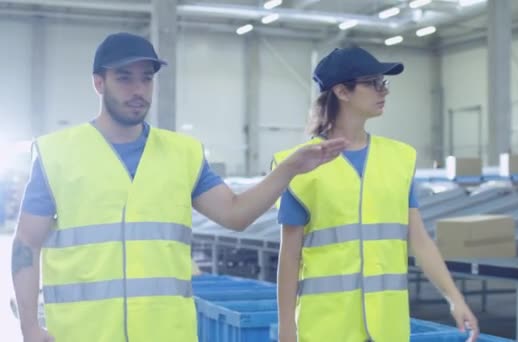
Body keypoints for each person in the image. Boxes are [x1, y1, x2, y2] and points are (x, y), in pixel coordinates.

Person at [10, 32, 347, 342]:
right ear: (98, 83)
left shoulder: (182, 154)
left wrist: (288, 169)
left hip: (165, 332)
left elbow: (235, 214)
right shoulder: (58, 153)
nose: (138, 90)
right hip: (84, 333)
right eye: (124, 78)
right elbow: (26, 241)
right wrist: (29, 328)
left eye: (146, 79)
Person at [272, 47, 479, 342]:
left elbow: (419, 240)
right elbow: (289, 256)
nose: (384, 91)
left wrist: (455, 299)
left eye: (384, 83)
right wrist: (286, 330)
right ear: (342, 92)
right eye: (373, 83)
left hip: (387, 326)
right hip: (326, 326)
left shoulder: (399, 158)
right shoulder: (298, 164)